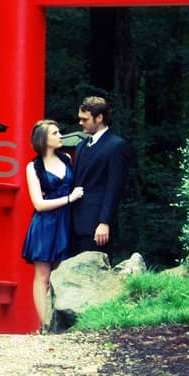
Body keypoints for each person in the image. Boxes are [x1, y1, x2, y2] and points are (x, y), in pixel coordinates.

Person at [21, 119, 84, 331]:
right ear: (44, 139)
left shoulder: (66, 159)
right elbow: (38, 203)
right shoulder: (33, 167)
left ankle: (59, 321)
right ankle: (44, 324)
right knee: (43, 276)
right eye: (55, 133)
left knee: (61, 273)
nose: (60, 136)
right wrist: (69, 199)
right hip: (45, 224)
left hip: (66, 221)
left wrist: (70, 200)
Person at [70, 96, 130, 259]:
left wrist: (104, 222)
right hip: (75, 223)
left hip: (97, 226)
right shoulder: (81, 145)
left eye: (85, 119)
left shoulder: (116, 145)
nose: (81, 123)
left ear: (99, 118)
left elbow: (114, 187)